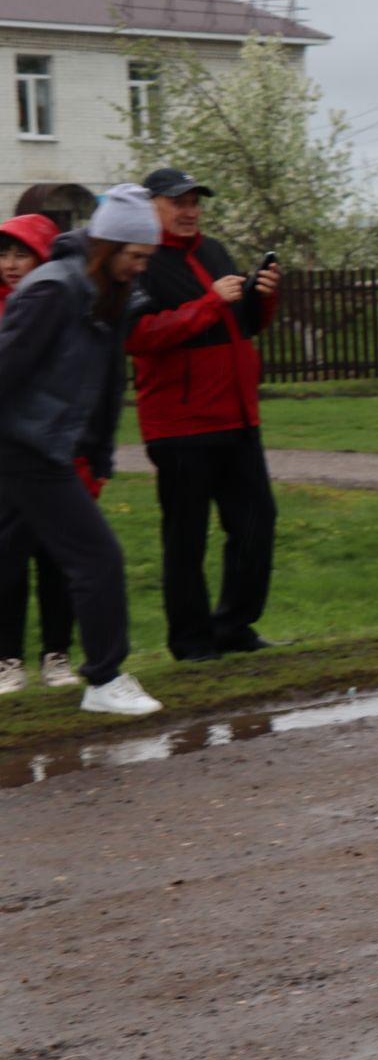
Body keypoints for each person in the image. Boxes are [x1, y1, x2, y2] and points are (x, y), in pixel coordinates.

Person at [0, 186, 164, 715]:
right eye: (136, 256)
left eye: (147, 258)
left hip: (47, 447)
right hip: (24, 446)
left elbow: (105, 383)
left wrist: (97, 456)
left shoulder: (103, 296)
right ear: (108, 245)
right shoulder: (53, 290)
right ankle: (104, 678)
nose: (141, 267)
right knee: (97, 558)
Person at [124, 167, 282, 661]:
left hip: (236, 416)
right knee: (186, 538)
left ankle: (233, 626)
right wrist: (210, 304)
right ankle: (191, 644)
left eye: (195, 201)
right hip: (180, 424)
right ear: (151, 206)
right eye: (178, 202)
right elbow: (140, 336)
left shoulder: (213, 252)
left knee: (257, 522)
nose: (190, 210)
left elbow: (243, 325)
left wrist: (264, 295)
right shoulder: (139, 261)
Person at [0, 213, 80, 694]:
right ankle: (7, 659)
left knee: (57, 557)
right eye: (3, 254)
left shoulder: (63, 308)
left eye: (21, 253)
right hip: (6, 456)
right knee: (6, 557)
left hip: (55, 452)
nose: (10, 265)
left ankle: (57, 654)